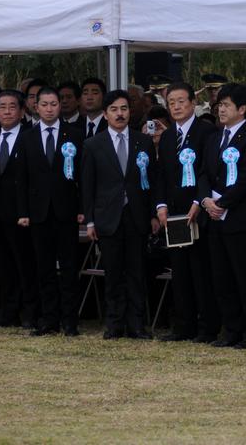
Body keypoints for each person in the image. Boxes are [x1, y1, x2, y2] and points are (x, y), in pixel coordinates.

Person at [82, 90, 157, 340]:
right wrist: (90, 219)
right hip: (108, 217)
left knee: (137, 272)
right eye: (114, 109)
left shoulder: (143, 141)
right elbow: (88, 185)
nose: (120, 113)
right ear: (105, 114)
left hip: (136, 215)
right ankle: (114, 323)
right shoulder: (94, 144)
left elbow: (151, 182)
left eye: (124, 108)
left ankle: (137, 323)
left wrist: (154, 213)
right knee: (113, 273)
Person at [199, 83, 246, 349]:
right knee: (222, 279)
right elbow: (204, 172)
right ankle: (232, 331)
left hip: (239, 218)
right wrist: (207, 200)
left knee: (245, 279)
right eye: (219, 105)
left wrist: (223, 203)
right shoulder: (215, 137)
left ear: (242, 109)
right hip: (215, 218)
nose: (221, 110)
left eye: (226, 105)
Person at [153, 83, 219, 343]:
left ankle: (207, 326)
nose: (177, 107)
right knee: (179, 271)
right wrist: (160, 205)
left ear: (193, 103)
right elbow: (162, 174)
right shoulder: (169, 136)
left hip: (199, 211)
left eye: (182, 101)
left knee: (201, 271)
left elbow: (208, 170)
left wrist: (197, 201)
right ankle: (184, 325)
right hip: (175, 215)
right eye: (172, 103)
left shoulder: (207, 131)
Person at [17, 86, 85, 337]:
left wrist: (82, 209)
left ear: (60, 106)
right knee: (43, 268)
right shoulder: (27, 137)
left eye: (53, 104)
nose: (48, 108)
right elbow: (21, 179)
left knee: (68, 269)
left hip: (66, 212)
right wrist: (23, 211)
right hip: (38, 213)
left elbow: (83, 177)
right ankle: (49, 319)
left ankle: (70, 321)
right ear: (36, 106)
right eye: (44, 104)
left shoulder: (75, 135)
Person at [0, 90, 39, 329]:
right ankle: (8, 311)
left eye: (12, 107)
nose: (7, 111)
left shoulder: (31, 137)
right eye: (2, 107)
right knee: (3, 265)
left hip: (22, 213)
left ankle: (31, 312)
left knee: (25, 264)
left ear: (22, 111)